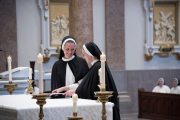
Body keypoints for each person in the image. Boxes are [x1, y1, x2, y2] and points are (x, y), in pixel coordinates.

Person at [63, 42, 121, 120]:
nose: (83, 57)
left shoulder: (97, 67)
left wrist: (75, 92)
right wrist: (75, 90)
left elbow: (91, 89)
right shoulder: (96, 66)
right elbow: (90, 86)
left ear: (90, 54)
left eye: (84, 54)